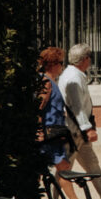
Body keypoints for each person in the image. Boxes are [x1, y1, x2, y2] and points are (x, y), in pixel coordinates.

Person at [58, 42, 101, 199]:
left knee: (91, 163)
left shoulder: (74, 75)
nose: (90, 61)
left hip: (78, 130)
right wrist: (87, 128)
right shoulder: (73, 78)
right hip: (75, 131)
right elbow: (76, 106)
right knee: (64, 167)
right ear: (84, 59)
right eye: (89, 57)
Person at [36, 44, 70, 185]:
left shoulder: (51, 81)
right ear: (53, 64)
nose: (62, 66)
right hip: (49, 133)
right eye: (61, 63)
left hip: (54, 132)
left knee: (55, 167)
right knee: (63, 167)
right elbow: (39, 107)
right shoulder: (46, 82)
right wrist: (38, 131)